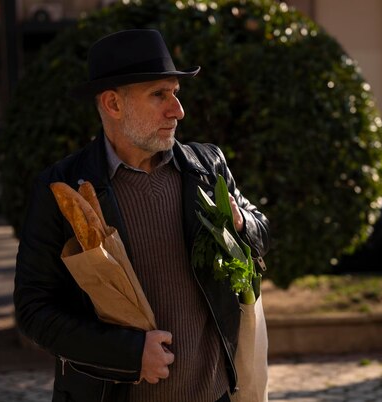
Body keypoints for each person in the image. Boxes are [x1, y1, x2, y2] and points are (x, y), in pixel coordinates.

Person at [14, 29, 270, 402]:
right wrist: (129, 355)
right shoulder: (61, 188)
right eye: (158, 95)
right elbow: (33, 309)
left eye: (176, 94)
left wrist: (242, 225)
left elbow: (262, 233)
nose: (177, 110)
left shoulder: (205, 166)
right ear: (114, 104)